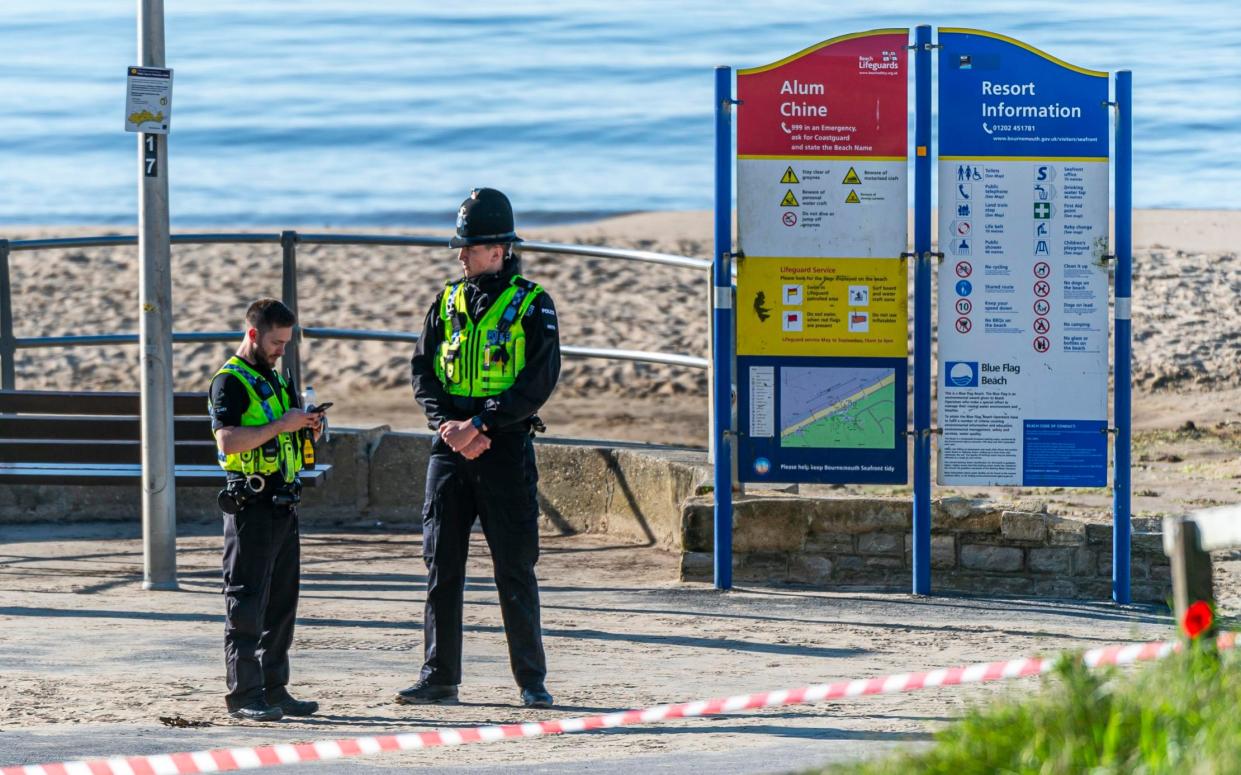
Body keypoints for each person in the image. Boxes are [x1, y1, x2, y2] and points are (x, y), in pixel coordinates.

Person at [400, 187, 561, 709]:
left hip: (505, 446)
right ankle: (439, 675)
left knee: (514, 567)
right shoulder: (445, 301)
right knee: (440, 564)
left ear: (499, 249)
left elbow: (538, 380)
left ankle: (531, 680)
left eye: (469, 246)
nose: (462, 254)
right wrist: (448, 424)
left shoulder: (535, 304)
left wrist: (483, 423)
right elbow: (423, 370)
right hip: (450, 448)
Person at [208, 298, 322, 722]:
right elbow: (229, 442)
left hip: (283, 503)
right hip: (250, 504)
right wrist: (281, 425)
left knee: (281, 605)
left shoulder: (275, 378)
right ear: (253, 334)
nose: (281, 350)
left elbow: (285, 436)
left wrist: (307, 425)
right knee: (246, 602)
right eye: (276, 342)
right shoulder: (229, 382)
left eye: (287, 343)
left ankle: (275, 689)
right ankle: (244, 694)